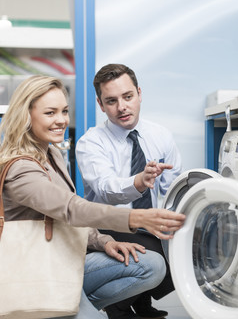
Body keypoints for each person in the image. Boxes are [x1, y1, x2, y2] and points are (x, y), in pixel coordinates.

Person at [0, 75, 186, 319]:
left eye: (64, 111)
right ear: (26, 115)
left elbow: (66, 220)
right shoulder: (20, 168)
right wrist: (137, 216)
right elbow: (71, 209)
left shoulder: (53, 155)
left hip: (64, 258)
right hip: (36, 272)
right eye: (50, 113)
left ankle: (67, 308)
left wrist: (105, 242)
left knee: (152, 265)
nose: (61, 120)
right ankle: (59, 309)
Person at [76, 64, 182, 319]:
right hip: (108, 225)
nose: (122, 107)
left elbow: (173, 188)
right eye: (111, 101)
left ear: (139, 93)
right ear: (101, 105)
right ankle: (119, 306)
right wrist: (139, 181)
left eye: (127, 96)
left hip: (149, 222)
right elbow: (106, 189)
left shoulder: (160, 135)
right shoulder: (90, 142)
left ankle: (140, 302)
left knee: (186, 248)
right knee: (153, 249)